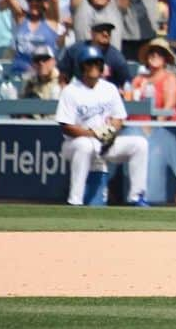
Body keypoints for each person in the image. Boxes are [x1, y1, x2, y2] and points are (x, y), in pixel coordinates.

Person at [55, 44, 149, 207]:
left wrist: (110, 131)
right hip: (75, 144)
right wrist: (93, 134)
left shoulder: (109, 88)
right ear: (82, 66)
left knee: (140, 144)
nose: (94, 67)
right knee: (85, 146)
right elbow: (66, 126)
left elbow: (119, 118)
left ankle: (136, 197)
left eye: (97, 63)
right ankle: (75, 200)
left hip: (105, 142)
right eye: (89, 63)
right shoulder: (71, 91)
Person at [58, 22, 130, 90]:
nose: (105, 34)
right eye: (101, 30)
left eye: (108, 31)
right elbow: (63, 74)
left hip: (105, 96)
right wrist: (65, 91)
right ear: (92, 33)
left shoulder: (116, 57)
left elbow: (127, 84)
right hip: (80, 91)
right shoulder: (76, 50)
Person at [130, 38, 176, 121]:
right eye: (152, 52)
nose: (155, 55)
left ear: (165, 59)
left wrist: (153, 127)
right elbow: (130, 103)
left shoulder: (170, 79)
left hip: (162, 127)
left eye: (160, 53)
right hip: (135, 124)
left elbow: (168, 108)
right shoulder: (138, 78)